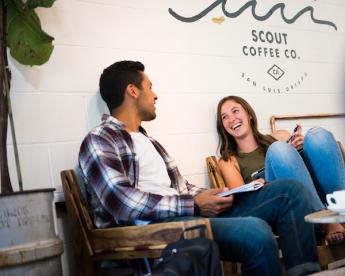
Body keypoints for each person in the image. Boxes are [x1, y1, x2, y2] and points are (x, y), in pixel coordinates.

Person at [79, 60, 321, 276]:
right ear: (133, 91)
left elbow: (180, 187)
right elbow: (122, 202)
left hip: (186, 214)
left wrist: (217, 194)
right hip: (158, 228)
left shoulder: (147, 140)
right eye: (150, 86)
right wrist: (194, 204)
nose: (155, 95)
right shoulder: (100, 139)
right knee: (255, 232)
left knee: (289, 192)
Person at [216, 95, 345, 244]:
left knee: (317, 135)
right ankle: (326, 221)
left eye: (235, 111)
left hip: (318, 194)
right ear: (223, 126)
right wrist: (257, 186)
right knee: (278, 149)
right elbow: (244, 204)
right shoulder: (229, 161)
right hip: (287, 205)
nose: (231, 119)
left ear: (249, 114)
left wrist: (301, 147)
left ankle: (341, 209)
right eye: (224, 117)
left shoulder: (281, 136)